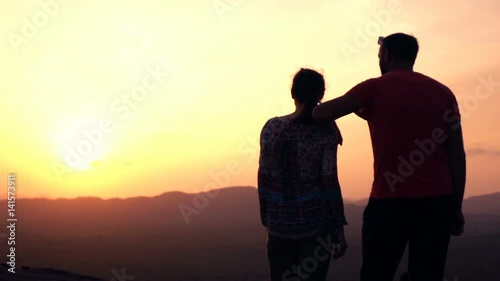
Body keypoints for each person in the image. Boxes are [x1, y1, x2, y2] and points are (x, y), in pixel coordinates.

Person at [313, 33, 466, 281]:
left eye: (379, 55)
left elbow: (321, 114)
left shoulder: (373, 88)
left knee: (376, 273)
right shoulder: (444, 94)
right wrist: (455, 206)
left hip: (389, 200)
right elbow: (457, 155)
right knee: (427, 275)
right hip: (437, 202)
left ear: (387, 55)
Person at [258, 68, 348, 281]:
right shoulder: (324, 131)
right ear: (321, 95)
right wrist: (339, 228)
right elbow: (329, 180)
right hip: (316, 224)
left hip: (278, 224)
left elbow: (264, 177)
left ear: (292, 93)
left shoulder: (271, 127)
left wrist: (267, 218)